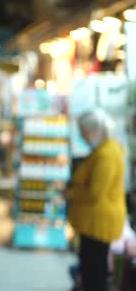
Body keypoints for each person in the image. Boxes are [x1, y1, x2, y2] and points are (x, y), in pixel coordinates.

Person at [67, 109, 127, 291]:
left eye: (83, 132)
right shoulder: (103, 150)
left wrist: (71, 193)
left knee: (95, 270)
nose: (82, 137)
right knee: (92, 268)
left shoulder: (106, 154)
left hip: (99, 223)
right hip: (94, 222)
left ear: (95, 130)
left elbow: (95, 193)